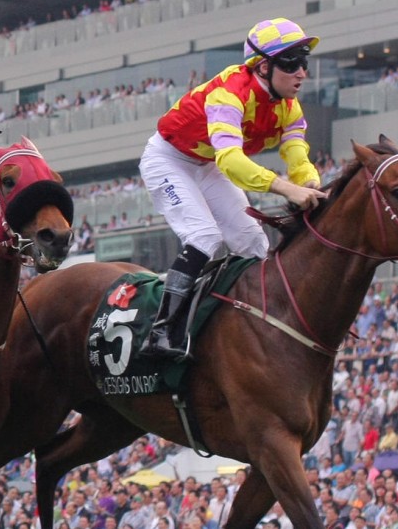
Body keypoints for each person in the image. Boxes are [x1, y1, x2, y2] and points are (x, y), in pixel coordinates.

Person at [139, 18, 327, 360]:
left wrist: (309, 183)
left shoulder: (290, 107)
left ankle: (248, 326)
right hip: (169, 159)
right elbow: (231, 161)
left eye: (304, 62)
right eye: (291, 63)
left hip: (206, 164)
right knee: (204, 237)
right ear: (264, 67)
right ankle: (161, 332)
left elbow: (297, 156)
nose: (301, 73)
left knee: (255, 243)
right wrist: (287, 190)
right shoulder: (229, 92)